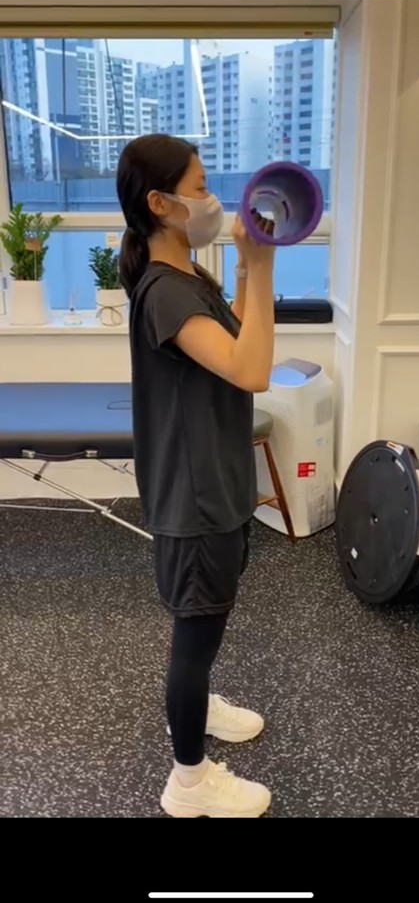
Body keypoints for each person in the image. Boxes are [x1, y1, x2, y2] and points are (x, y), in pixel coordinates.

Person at [117, 134, 275, 818]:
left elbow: (238, 341)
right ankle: (188, 781)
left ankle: (199, 702)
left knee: (208, 622)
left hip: (218, 480)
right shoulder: (164, 292)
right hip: (196, 496)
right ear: (161, 203)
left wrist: (244, 265)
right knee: (195, 635)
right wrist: (263, 266)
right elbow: (253, 370)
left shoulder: (190, 280)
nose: (212, 200)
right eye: (201, 187)